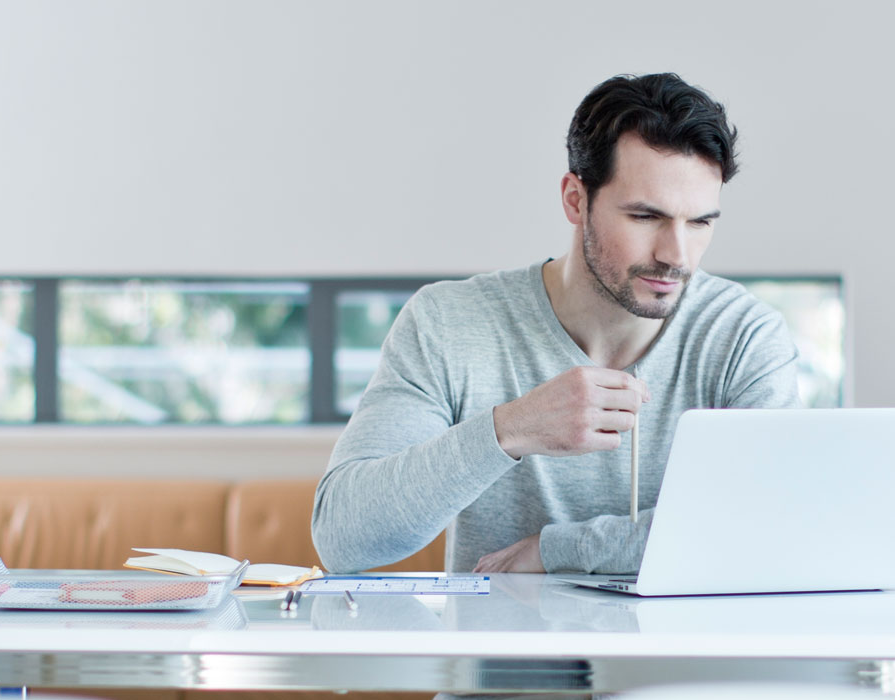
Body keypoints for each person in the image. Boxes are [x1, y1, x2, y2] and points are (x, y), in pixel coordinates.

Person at [311, 73, 803, 575]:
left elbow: (771, 528)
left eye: (700, 222)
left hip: (684, 653)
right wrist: (511, 429)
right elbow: (343, 540)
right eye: (644, 217)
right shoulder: (448, 323)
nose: (676, 256)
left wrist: (559, 550)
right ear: (575, 199)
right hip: (503, 653)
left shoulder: (744, 336)